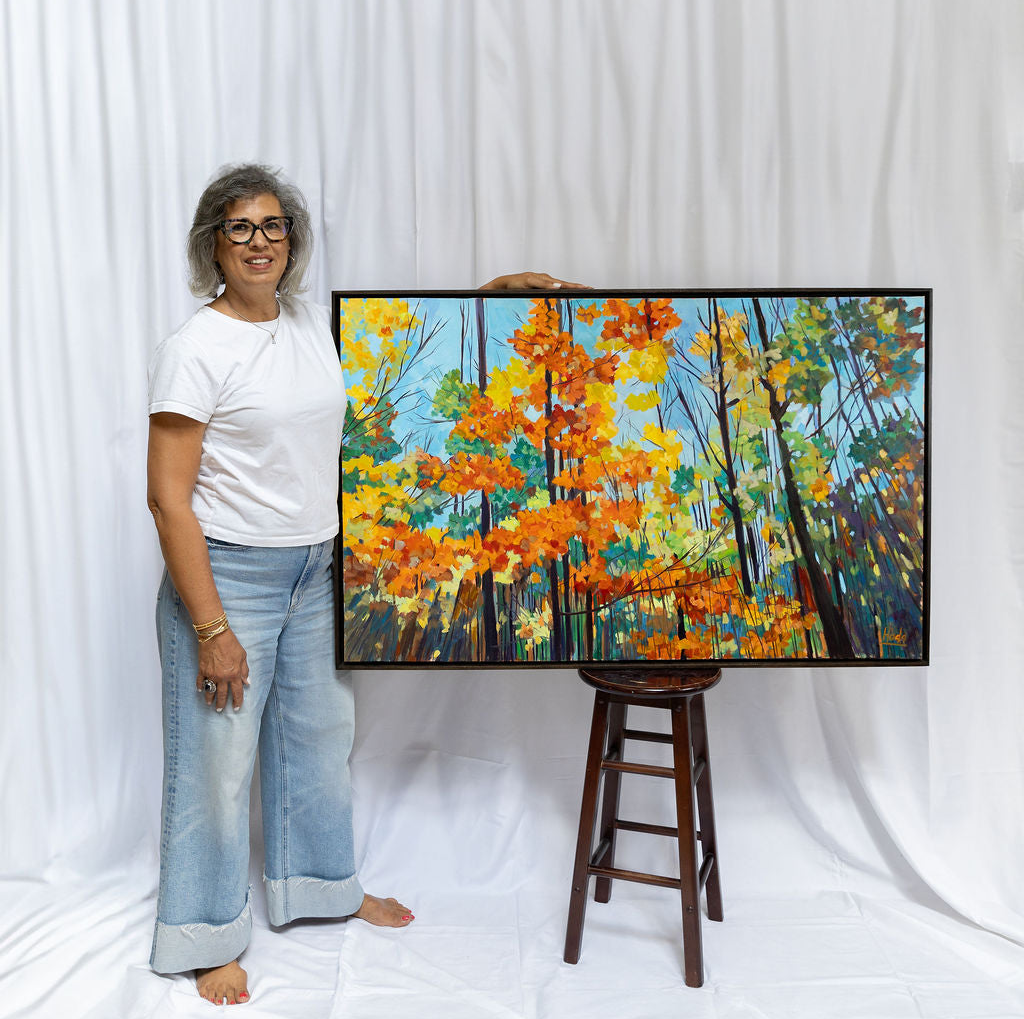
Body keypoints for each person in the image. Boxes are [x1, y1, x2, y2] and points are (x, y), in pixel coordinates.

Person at [146, 162, 581, 1006]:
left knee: (318, 740)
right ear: (213, 245)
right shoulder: (194, 349)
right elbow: (168, 498)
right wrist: (211, 628)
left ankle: (321, 889)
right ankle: (206, 938)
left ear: (292, 239)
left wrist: (490, 299)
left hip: (316, 569)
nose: (260, 241)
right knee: (216, 761)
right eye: (240, 228)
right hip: (229, 574)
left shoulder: (310, 324)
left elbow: (397, 352)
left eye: (273, 225)